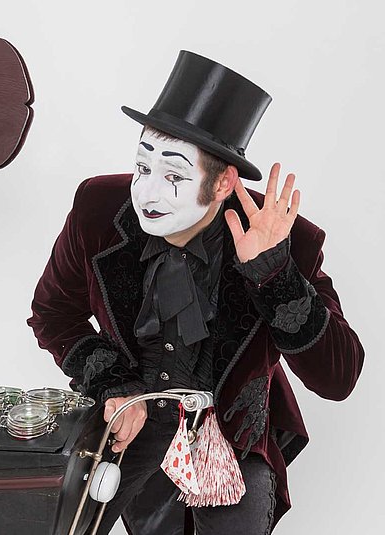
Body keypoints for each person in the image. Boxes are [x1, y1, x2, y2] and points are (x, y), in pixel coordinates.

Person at [28, 50, 363, 534]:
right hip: (130, 425)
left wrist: (275, 275)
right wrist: (115, 386)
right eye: (143, 167)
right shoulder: (97, 211)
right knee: (55, 520)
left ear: (224, 182)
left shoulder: (283, 237)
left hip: (231, 435)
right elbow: (53, 312)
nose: (147, 193)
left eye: (174, 176)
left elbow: (340, 378)